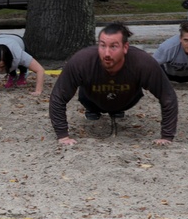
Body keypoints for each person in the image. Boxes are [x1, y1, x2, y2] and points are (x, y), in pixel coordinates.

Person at [49, 23, 178, 145]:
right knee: (90, 104)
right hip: (90, 100)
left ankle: (116, 110)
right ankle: (94, 110)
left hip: (127, 101)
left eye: (113, 47)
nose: (107, 53)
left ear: (125, 47)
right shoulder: (82, 61)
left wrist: (166, 136)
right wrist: (63, 135)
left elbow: (168, 96)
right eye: (102, 45)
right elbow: (58, 97)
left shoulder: (143, 63)